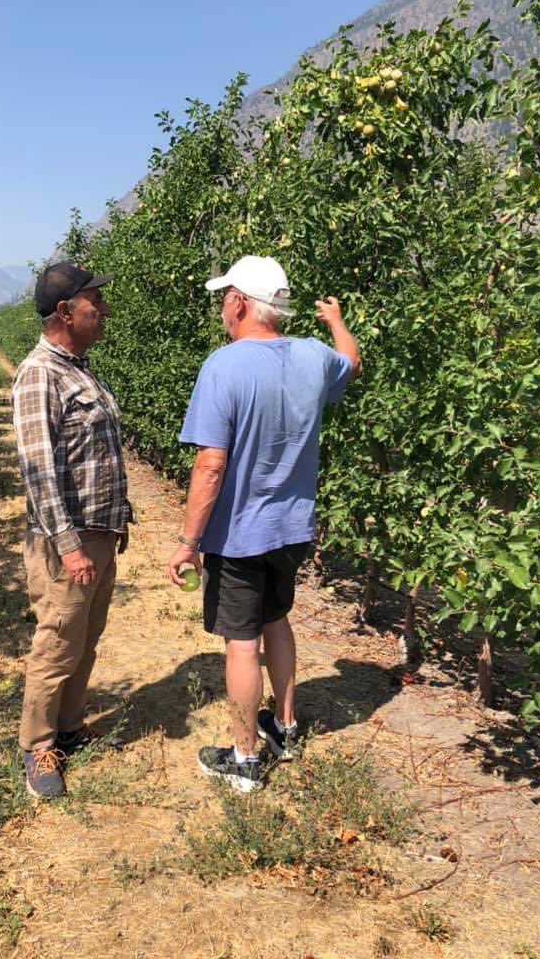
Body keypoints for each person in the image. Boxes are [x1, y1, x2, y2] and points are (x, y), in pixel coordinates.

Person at [167, 255, 361, 793]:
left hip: (239, 535)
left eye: (223, 299)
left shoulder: (223, 366)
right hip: (293, 529)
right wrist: (337, 320)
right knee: (276, 620)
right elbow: (352, 362)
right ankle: (288, 726)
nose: (221, 309)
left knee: (241, 642)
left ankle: (245, 757)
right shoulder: (313, 356)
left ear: (238, 302)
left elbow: (210, 465)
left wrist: (187, 542)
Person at [12, 262, 132, 799]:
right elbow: (39, 470)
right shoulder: (40, 373)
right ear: (65, 312)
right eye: (94, 304)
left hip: (99, 533)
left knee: (85, 639)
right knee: (58, 641)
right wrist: (70, 546)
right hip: (70, 541)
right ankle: (37, 746)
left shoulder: (80, 369)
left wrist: (117, 517)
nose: (103, 312)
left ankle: (69, 726)